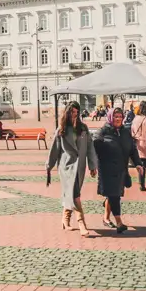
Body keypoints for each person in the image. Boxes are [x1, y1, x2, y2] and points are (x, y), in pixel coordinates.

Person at [46, 101, 99, 237]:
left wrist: (93, 165)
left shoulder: (84, 129)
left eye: (76, 112)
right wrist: (49, 166)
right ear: (67, 113)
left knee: (71, 192)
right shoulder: (62, 129)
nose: (74, 115)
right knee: (75, 194)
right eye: (72, 112)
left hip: (80, 166)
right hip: (66, 167)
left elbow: (90, 148)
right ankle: (82, 223)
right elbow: (55, 149)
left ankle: (65, 218)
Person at [93, 108, 142, 233]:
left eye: (120, 116)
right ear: (110, 117)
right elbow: (94, 147)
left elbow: (132, 149)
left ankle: (106, 218)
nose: (118, 118)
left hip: (121, 169)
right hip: (107, 169)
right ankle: (119, 222)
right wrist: (92, 165)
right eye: (115, 116)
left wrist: (138, 164)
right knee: (114, 195)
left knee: (113, 194)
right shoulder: (103, 131)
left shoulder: (125, 132)